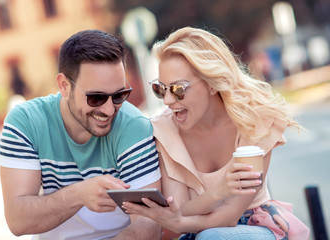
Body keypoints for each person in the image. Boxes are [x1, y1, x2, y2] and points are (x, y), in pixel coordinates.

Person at [122, 27, 310, 240]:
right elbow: (180, 208)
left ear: (212, 84)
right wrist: (217, 192)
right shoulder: (164, 131)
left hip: (255, 228)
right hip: (197, 233)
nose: (167, 101)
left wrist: (181, 220)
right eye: (161, 89)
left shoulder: (253, 121)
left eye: (178, 90)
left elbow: (229, 216)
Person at [0, 29, 162, 240]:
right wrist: (79, 194)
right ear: (64, 86)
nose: (110, 110)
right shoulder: (27, 122)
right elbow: (17, 220)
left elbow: (150, 223)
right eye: (96, 98)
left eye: (119, 95)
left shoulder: (133, 125)